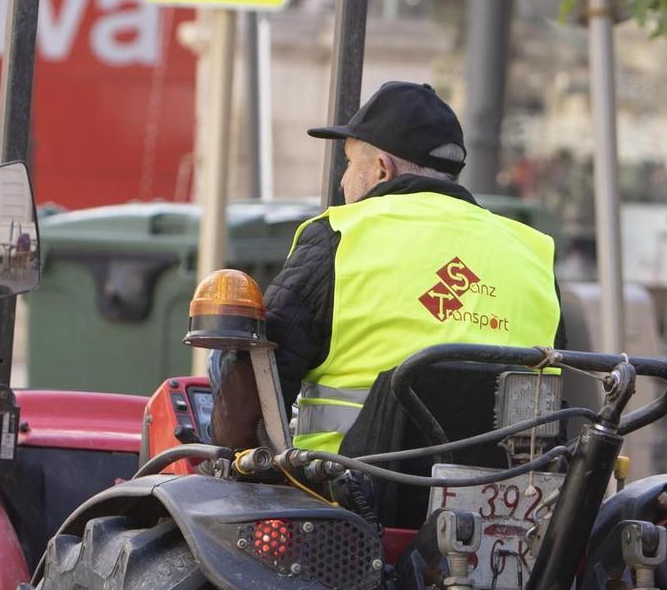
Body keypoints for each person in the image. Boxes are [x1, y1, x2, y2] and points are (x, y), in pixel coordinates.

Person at [211, 81, 563, 452]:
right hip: (510, 496)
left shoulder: (341, 235)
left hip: (346, 498)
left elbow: (256, 396)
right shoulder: (532, 251)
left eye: (348, 164)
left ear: (381, 170)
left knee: (233, 356)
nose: (344, 180)